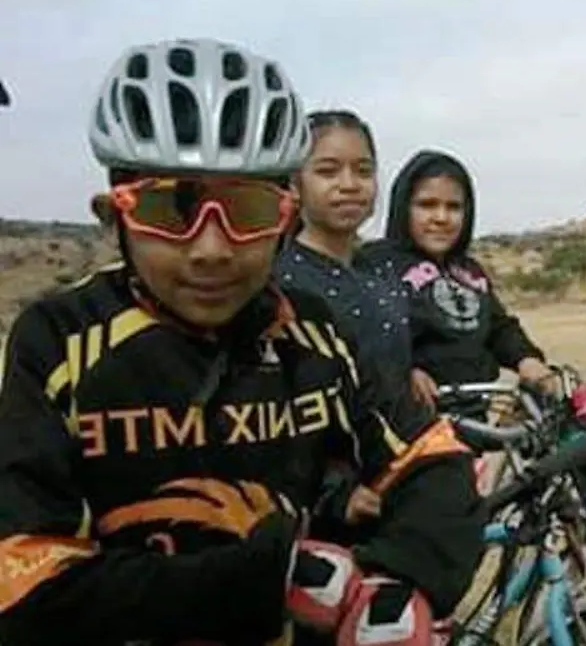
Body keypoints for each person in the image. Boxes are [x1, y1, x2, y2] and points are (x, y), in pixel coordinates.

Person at [0, 39, 484, 646]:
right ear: (113, 215)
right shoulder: (58, 340)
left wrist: (401, 576)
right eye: (170, 209)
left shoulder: (312, 329)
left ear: (287, 219)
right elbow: (23, 582)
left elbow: (431, 455)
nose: (212, 249)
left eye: (248, 210)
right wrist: (268, 582)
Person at [275, 109, 413, 527]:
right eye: (328, 171)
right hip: (332, 502)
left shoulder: (381, 269)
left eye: (363, 170)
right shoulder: (279, 280)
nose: (349, 184)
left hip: (403, 474)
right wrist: (334, 491)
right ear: (295, 184)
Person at [358, 150, 553, 409]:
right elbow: (359, 333)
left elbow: (498, 328)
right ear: (403, 206)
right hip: (409, 416)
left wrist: (526, 359)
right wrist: (400, 370)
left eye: (453, 207)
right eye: (427, 205)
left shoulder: (470, 271)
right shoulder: (374, 264)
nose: (441, 218)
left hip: (474, 413)